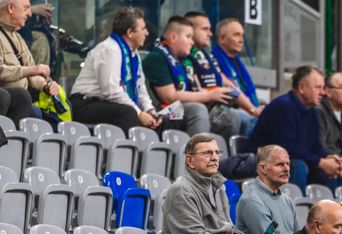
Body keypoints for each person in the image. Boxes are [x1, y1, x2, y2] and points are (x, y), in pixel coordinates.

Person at [70, 7, 182, 136]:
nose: (147, 33)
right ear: (130, 32)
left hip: (110, 104)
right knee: (128, 113)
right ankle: (126, 149)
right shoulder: (110, 50)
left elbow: (140, 88)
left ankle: (149, 149)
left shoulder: (133, 54)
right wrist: (139, 113)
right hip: (85, 104)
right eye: (143, 29)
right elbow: (111, 92)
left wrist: (149, 110)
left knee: (168, 119)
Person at [247, 65, 342, 193]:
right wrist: (320, 162)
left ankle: (328, 206)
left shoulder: (311, 111)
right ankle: (293, 205)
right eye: (318, 87)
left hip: (294, 159)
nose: (323, 92)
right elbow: (286, 149)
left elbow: (315, 147)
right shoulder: (283, 107)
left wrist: (329, 159)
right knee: (298, 166)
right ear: (302, 87)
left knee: (334, 170)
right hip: (264, 162)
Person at [141, 16, 223, 136]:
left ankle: (215, 147)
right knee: (197, 110)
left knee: (224, 116)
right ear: (173, 37)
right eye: (188, 37)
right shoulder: (156, 58)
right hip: (161, 113)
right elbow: (170, 97)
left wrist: (212, 97)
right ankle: (197, 148)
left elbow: (195, 91)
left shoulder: (184, 61)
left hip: (179, 108)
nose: (192, 42)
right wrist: (208, 95)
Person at [236, 145, 300, 234]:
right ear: (263, 168)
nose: (287, 169)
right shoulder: (252, 201)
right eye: (280, 164)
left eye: (288, 164)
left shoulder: (287, 200)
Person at [0, 0, 60, 114]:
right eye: (26, 8)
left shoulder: (17, 37)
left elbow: (32, 72)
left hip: (22, 97)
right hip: (12, 97)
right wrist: (31, 70)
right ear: (10, 8)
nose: (30, 13)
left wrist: (46, 86)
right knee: (23, 98)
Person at [212, 18, 261, 136]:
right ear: (222, 38)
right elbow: (231, 89)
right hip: (222, 109)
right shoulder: (212, 60)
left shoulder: (238, 62)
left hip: (246, 108)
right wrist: (253, 110)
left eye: (242, 35)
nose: (241, 40)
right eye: (236, 35)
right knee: (251, 121)